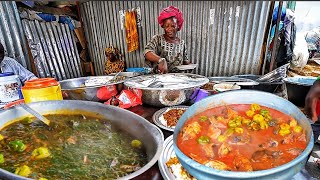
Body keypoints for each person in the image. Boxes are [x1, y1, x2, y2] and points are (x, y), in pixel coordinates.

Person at [144, 6, 190, 74]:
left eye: (173, 26)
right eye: (166, 26)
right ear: (163, 27)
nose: (170, 29)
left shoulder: (182, 43)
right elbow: (147, 52)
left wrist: (190, 66)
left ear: (178, 26)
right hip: (159, 80)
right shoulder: (157, 39)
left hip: (177, 81)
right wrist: (160, 60)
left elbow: (185, 61)